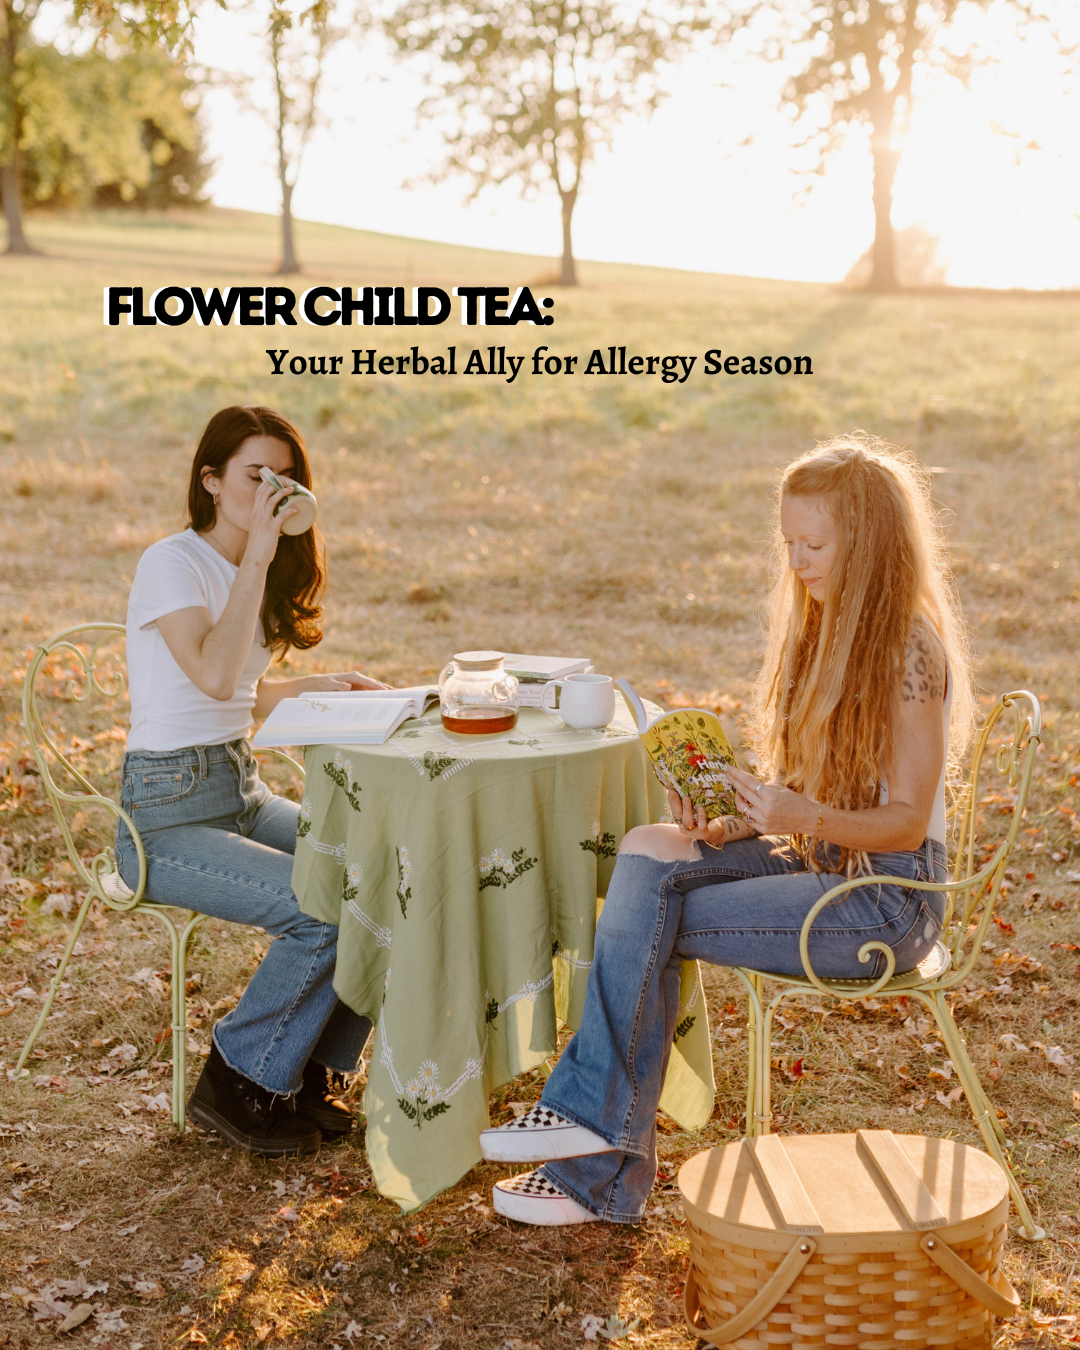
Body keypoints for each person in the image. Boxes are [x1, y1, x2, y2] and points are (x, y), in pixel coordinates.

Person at [479, 436, 974, 1224]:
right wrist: (730, 811)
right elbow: (818, 792)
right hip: (825, 855)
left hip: (886, 899)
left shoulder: (908, 648)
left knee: (650, 912)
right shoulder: (824, 627)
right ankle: (595, 1144)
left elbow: (907, 820)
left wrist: (797, 813)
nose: (798, 562)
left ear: (871, 546)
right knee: (649, 848)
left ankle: (596, 1157)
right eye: (788, 544)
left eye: (814, 544)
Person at [115, 405, 389, 1157]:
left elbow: (241, 692)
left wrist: (325, 683)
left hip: (238, 789)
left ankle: (308, 1074)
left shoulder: (254, 571)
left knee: (384, 871)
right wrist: (261, 556)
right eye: (254, 475)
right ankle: (240, 1079)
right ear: (210, 481)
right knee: (323, 911)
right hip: (163, 817)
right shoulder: (172, 562)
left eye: (286, 477)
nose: (272, 489)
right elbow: (209, 675)